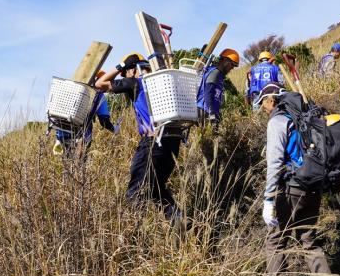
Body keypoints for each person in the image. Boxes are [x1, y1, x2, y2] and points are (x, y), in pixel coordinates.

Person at [256, 82, 340, 276]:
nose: (264, 110)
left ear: (270, 100)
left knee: (276, 241)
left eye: (263, 104)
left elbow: (274, 163)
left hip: (290, 189)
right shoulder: (304, 116)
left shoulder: (277, 121)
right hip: (313, 187)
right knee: (309, 242)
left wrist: (268, 200)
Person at [95, 53, 183, 220]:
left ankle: (135, 237)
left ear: (132, 70)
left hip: (152, 142)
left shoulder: (135, 83)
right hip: (173, 140)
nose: (124, 75)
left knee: (135, 191)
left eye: (126, 72)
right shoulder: (164, 85)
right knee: (156, 188)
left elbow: (99, 84)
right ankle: (179, 221)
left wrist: (121, 64)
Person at [53, 70, 115, 158]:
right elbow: (104, 121)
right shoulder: (99, 96)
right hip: (83, 134)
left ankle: (59, 143)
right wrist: (114, 129)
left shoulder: (73, 89)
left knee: (67, 164)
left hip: (63, 133)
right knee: (79, 164)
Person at [196, 48, 239, 127]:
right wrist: (211, 114)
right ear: (225, 61)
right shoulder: (215, 73)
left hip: (209, 112)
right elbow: (208, 92)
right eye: (232, 64)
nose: (232, 68)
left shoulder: (220, 75)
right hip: (204, 111)